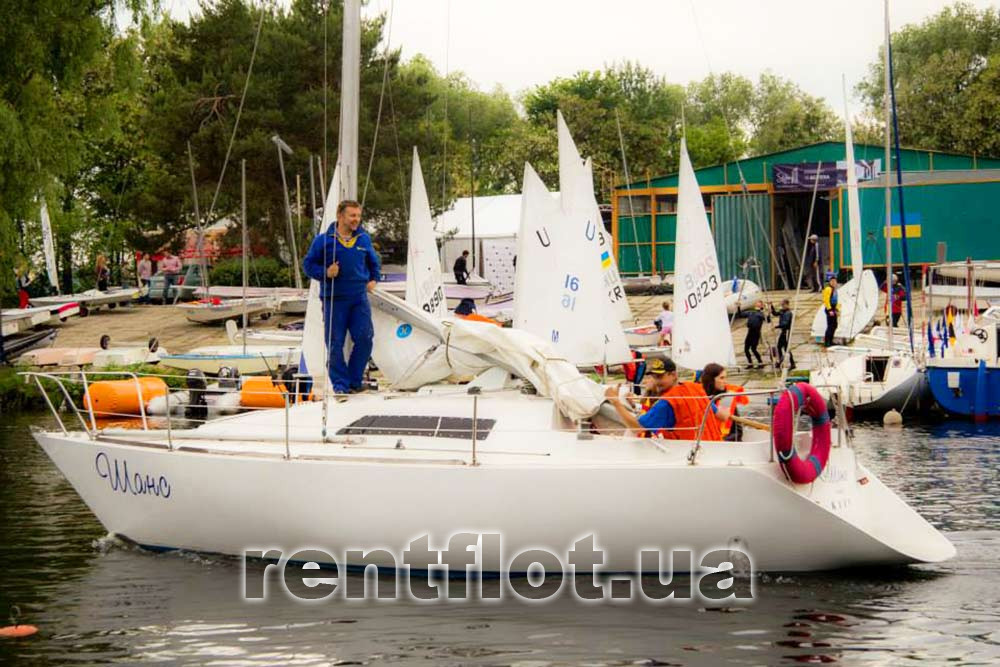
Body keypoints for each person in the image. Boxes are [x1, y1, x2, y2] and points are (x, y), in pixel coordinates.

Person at [303, 199, 380, 395]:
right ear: (340, 216)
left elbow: (373, 262)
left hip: (359, 298)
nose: (357, 219)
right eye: (352, 215)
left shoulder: (363, 239)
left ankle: (354, 381)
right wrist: (326, 273)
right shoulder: (323, 240)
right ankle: (340, 385)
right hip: (334, 299)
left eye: (358, 216)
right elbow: (308, 265)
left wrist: (374, 279)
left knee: (365, 338)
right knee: (335, 343)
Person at [603, 357, 729, 441]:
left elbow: (637, 428)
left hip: (688, 453)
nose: (656, 382)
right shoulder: (696, 388)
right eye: (654, 377)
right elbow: (721, 415)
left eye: (660, 377)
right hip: (713, 446)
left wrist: (615, 402)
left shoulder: (666, 403)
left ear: (673, 375)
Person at [701, 362, 748, 442]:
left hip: (725, 445)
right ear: (711, 379)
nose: (725, 382)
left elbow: (738, 432)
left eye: (725, 378)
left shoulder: (727, 398)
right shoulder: (699, 396)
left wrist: (722, 441)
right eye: (721, 378)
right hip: (705, 442)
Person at [743, 300, 768, 369]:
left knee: (753, 349)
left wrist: (766, 310)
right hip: (750, 332)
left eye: (759, 304)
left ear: (761, 306)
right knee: (746, 349)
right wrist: (738, 307)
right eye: (757, 303)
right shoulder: (751, 312)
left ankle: (760, 362)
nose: (757, 304)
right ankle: (750, 363)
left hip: (756, 333)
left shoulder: (761, 314)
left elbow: (768, 320)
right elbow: (741, 314)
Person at [771, 299, 795, 369]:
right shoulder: (782, 311)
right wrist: (771, 306)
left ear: (787, 305)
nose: (782, 306)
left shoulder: (788, 313)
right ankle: (780, 361)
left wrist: (776, 327)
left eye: (783, 305)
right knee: (779, 347)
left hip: (786, 332)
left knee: (786, 349)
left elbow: (785, 324)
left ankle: (792, 363)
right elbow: (775, 313)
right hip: (783, 332)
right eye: (781, 305)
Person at [822, 275, 839, 347]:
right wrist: (830, 310)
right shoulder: (828, 289)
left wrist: (837, 309)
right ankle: (827, 342)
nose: (834, 282)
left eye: (835, 281)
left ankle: (831, 340)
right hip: (830, 309)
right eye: (832, 281)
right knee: (830, 326)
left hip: (834, 308)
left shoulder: (834, 289)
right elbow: (826, 300)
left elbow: (836, 301)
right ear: (830, 282)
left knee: (835, 325)